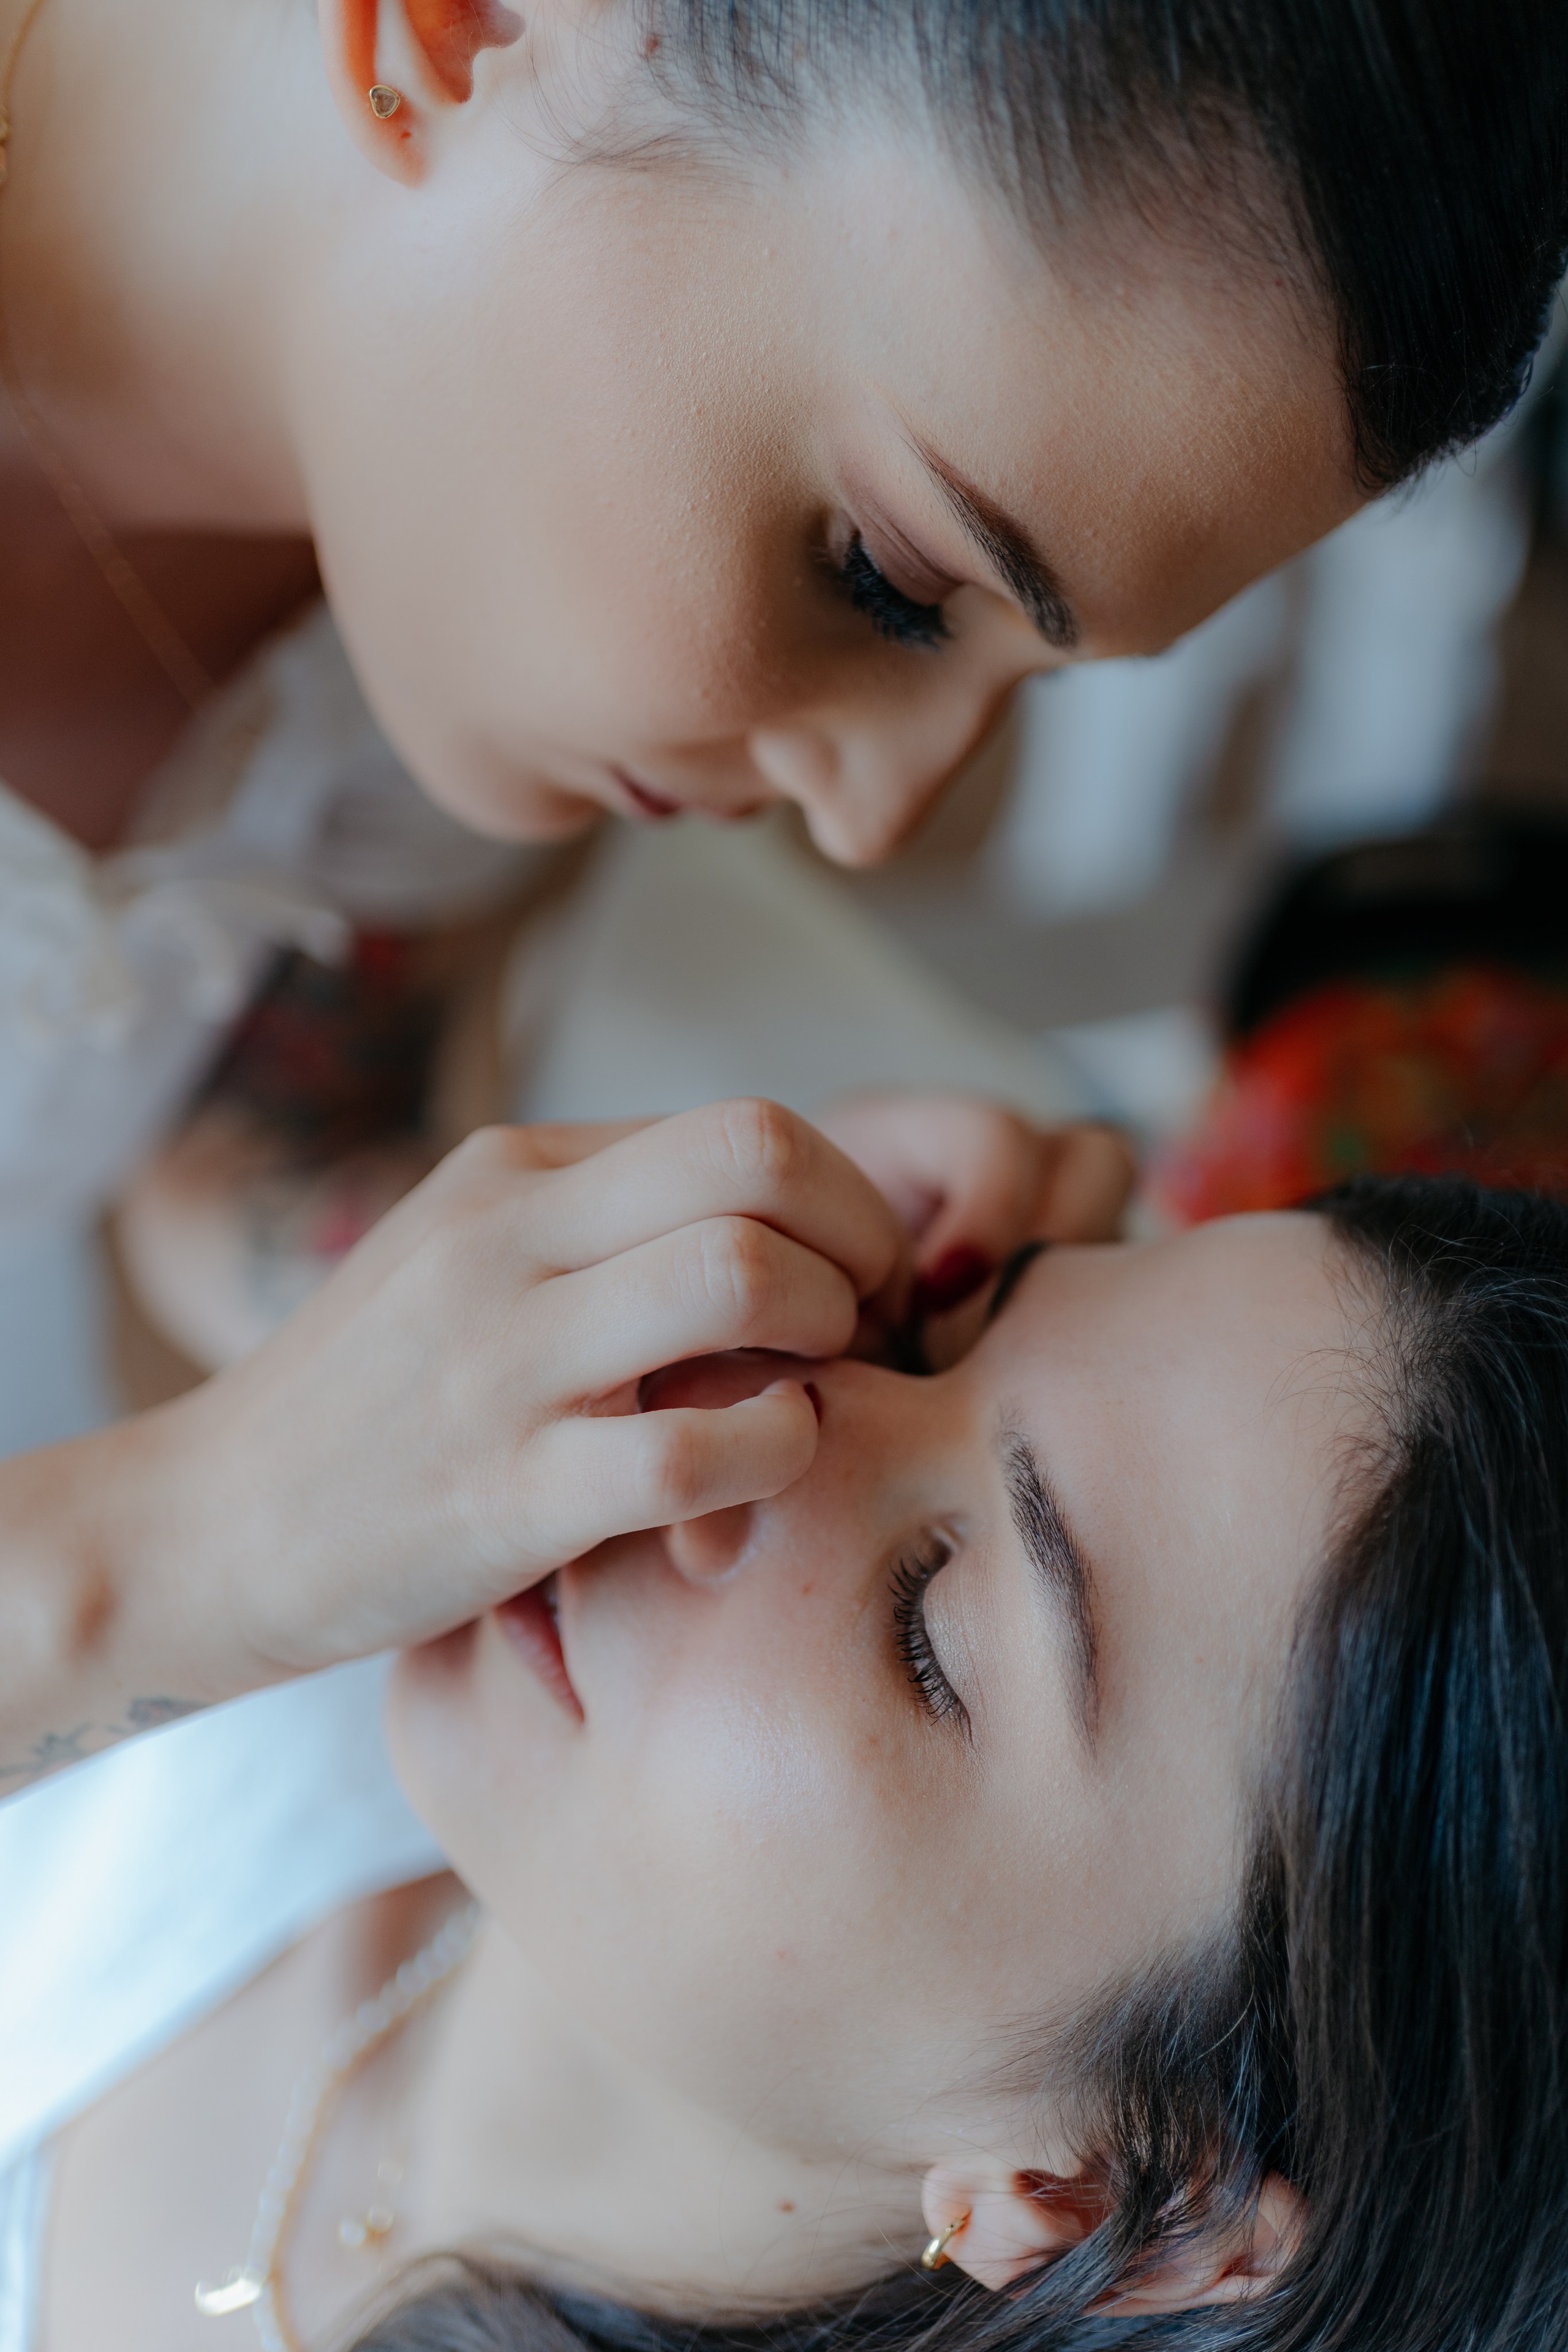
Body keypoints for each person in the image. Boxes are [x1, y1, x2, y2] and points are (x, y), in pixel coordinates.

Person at [0, 0, 1564, 1720]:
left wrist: (634, 1318)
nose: (869, 817)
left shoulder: (432, 521)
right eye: (888, 575)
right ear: (476, 25)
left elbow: (245, 1108)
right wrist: (195, 1549)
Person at [10, 1140, 1567, 2352]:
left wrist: (139, 1569)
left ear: (1131, 2205)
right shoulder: (358, 1609)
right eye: (934, 1336)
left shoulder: (228, 1587)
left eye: (928, 1622)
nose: (720, 1418)